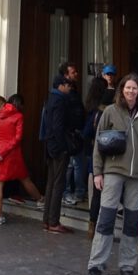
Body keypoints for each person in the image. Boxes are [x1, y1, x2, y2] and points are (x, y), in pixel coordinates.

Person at [85, 72, 138, 275]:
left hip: (137, 176)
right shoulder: (110, 111)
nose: (131, 91)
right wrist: (97, 172)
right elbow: (98, 144)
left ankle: (127, 267)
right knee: (105, 219)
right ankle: (96, 267)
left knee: (132, 223)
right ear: (121, 90)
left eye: (134, 88)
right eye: (127, 88)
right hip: (113, 172)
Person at [0, 94, 42, 225]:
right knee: (24, 178)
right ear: (19, 104)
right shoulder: (18, 116)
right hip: (11, 154)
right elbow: (17, 138)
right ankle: (40, 200)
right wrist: (4, 152)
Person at [41, 74, 75, 234]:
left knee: (51, 183)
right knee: (58, 184)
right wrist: (63, 147)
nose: (70, 88)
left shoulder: (50, 98)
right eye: (68, 85)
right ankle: (53, 221)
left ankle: (47, 220)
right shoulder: (60, 101)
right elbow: (58, 126)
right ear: (61, 85)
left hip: (49, 145)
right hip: (57, 147)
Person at [82, 75, 111, 238]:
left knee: (97, 195)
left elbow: (86, 133)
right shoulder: (114, 115)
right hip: (112, 160)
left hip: (96, 157)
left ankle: (92, 226)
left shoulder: (95, 115)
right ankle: (104, 227)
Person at [59, 61, 86, 207]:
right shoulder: (65, 92)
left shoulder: (73, 90)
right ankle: (68, 193)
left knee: (75, 164)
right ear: (65, 75)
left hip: (76, 133)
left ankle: (75, 193)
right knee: (72, 165)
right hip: (70, 134)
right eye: (73, 72)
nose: (76, 74)